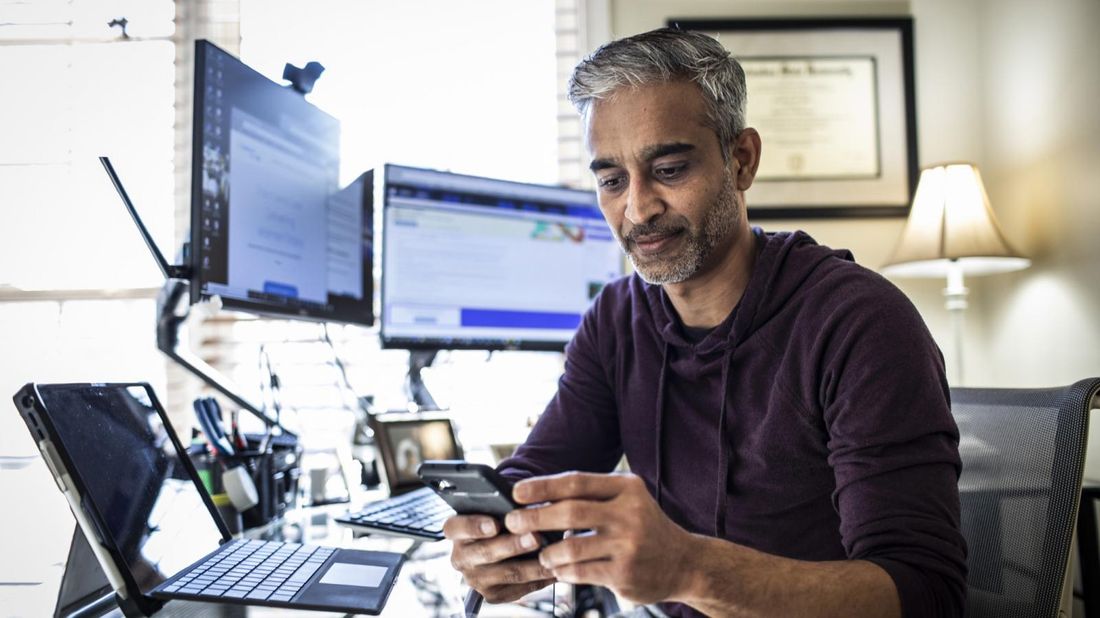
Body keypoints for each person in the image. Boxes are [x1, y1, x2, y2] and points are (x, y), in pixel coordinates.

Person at [443, 27, 966, 618]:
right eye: (612, 180)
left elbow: (926, 594)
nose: (637, 210)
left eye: (668, 168)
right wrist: (492, 535)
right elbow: (539, 471)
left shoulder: (860, 324)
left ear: (741, 160)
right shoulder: (616, 321)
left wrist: (691, 569)